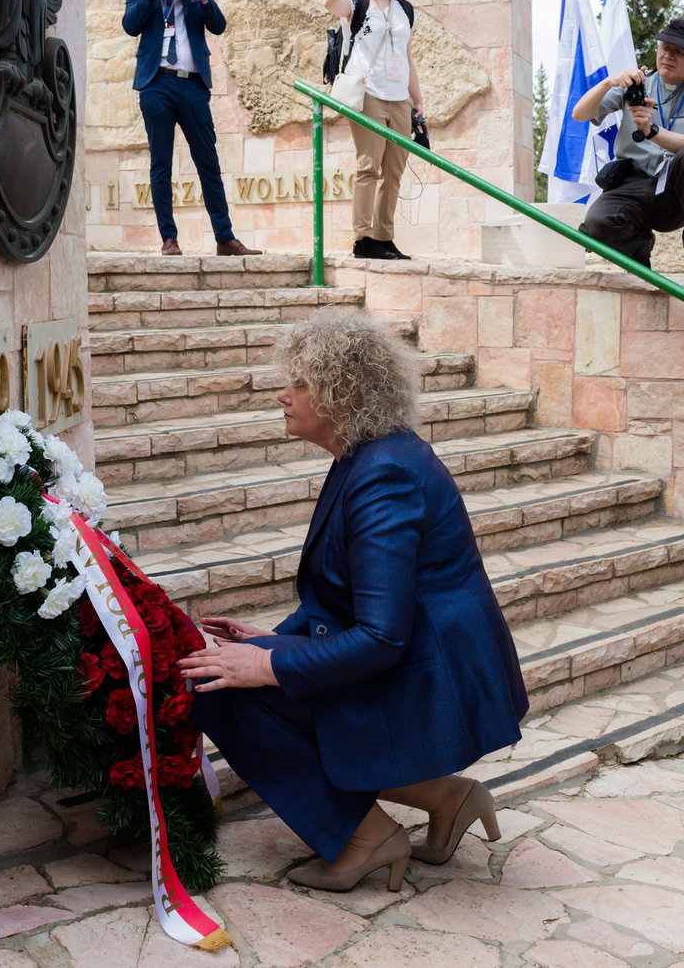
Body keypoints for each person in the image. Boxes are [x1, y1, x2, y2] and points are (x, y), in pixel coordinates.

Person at [179, 310, 528, 893]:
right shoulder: (366, 456)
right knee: (237, 680)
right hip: (414, 659)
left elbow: (381, 637)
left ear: (342, 393)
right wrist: (272, 640)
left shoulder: (382, 474)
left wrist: (267, 664)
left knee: (221, 693)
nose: (283, 395)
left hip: (426, 679)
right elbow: (340, 597)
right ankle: (447, 798)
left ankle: (365, 838)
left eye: (300, 384)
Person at [122, 0, 261, 257]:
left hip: (193, 84)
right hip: (156, 83)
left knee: (208, 162)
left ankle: (224, 238)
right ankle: (169, 239)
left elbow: (218, 26)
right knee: (161, 164)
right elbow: (131, 25)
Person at [323, 0, 425, 261]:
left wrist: (417, 98)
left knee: (394, 172)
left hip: (399, 98)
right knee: (369, 168)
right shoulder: (358, 2)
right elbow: (328, 2)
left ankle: (384, 237)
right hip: (368, 93)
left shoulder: (405, 9)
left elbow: (407, 56)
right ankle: (362, 238)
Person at [573, 18, 684, 267]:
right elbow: (579, 114)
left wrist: (652, 131)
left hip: (676, 189)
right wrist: (608, 82)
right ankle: (641, 262)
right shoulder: (637, 85)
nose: (668, 55)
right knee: (597, 223)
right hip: (633, 183)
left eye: (678, 51)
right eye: (664, 47)